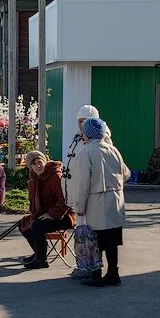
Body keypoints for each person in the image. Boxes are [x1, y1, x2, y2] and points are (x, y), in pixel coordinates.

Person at [67, 117, 128, 287]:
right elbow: (126, 173)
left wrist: (79, 206)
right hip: (116, 201)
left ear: (86, 134)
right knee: (112, 240)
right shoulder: (113, 150)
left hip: (96, 201)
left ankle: (96, 275)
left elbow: (82, 183)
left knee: (95, 241)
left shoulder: (85, 152)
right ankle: (113, 273)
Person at [18, 151, 76, 269]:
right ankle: (39, 252)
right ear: (30, 167)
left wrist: (52, 214)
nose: (38, 165)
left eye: (40, 162)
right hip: (46, 214)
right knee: (24, 224)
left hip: (65, 216)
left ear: (45, 161)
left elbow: (65, 199)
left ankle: (41, 260)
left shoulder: (55, 176)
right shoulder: (34, 179)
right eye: (34, 164)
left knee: (37, 226)